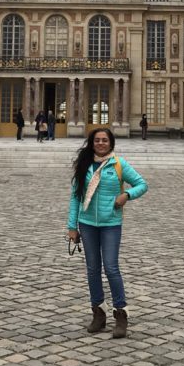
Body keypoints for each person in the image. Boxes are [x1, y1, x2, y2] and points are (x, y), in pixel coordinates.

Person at [67, 128, 147, 339]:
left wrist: (126, 195)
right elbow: (76, 197)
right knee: (92, 269)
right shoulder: (84, 165)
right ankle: (98, 312)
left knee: (111, 267)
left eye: (104, 140)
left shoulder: (118, 164)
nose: (101, 143)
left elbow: (142, 184)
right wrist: (72, 227)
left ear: (111, 143)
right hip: (87, 223)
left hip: (111, 222)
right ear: (92, 143)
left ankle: (120, 314)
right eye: (97, 140)